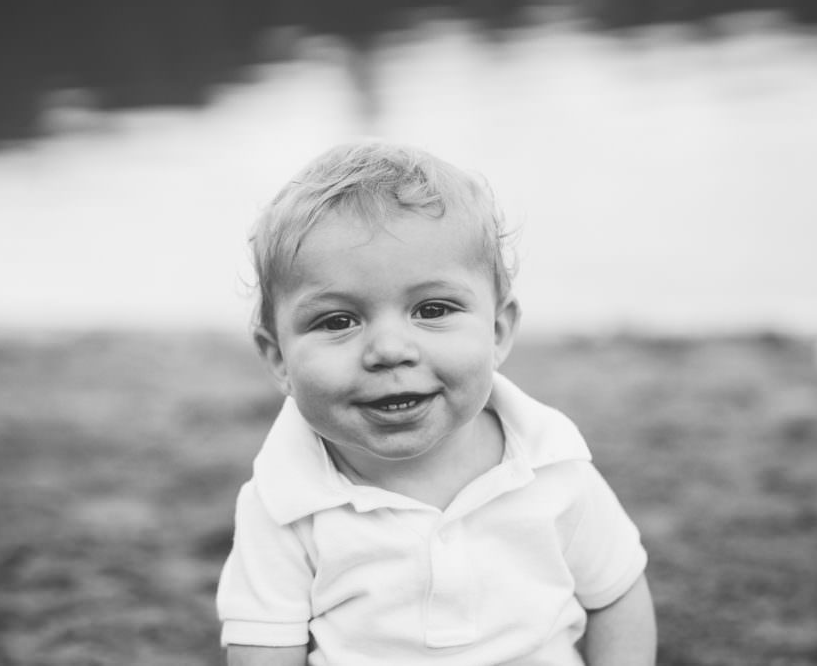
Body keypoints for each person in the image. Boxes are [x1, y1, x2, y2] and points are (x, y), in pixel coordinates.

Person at [216, 141, 656, 665]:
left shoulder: (551, 463)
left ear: (497, 331)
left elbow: (617, 594)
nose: (389, 350)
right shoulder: (284, 504)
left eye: (432, 309)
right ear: (278, 358)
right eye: (337, 321)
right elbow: (265, 646)